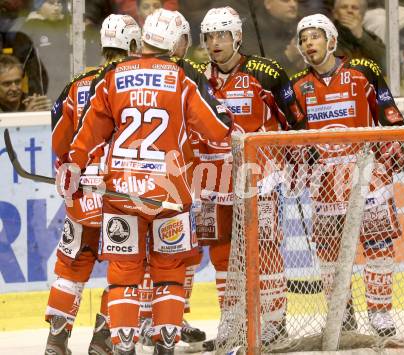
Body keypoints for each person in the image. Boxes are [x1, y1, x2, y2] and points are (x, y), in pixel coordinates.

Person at [57, 7, 233, 354]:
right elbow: (217, 131)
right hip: (168, 195)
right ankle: (165, 347)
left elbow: (89, 130)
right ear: (171, 40)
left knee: (124, 273)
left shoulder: (114, 76)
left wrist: (75, 164)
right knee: (169, 270)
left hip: (121, 192)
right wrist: (226, 119)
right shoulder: (180, 79)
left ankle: (123, 347)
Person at [290, 13, 404, 337]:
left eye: (314, 36)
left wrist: (393, 148)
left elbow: (389, 115)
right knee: (329, 253)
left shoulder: (362, 72)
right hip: (325, 180)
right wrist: (302, 156)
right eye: (303, 38)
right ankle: (341, 314)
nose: (308, 43)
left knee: (378, 244)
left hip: (365, 171)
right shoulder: (298, 86)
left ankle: (380, 313)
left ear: (331, 40)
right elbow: (293, 135)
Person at [193, 6, 302, 351]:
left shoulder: (266, 73)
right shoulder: (197, 77)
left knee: (266, 247)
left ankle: (273, 322)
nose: (215, 42)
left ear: (237, 36)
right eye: (209, 36)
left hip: (261, 178)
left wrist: (296, 166)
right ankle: (231, 320)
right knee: (222, 252)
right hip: (214, 178)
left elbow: (295, 123)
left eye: (222, 35)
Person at [46, 13, 141, 355]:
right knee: (125, 266)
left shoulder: (77, 84)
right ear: (133, 43)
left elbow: (60, 142)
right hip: (122, 191)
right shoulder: (137, 83)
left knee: (72, 265)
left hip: (82, 191)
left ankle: (56, 341)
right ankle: (103, 339)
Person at [135, 9, 207, 353]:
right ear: (176, 41)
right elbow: (214, 122)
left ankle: (170, 317)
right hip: (170, 178)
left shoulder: (129, 71)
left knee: (164, 252)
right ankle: (152, 316)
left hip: (139, 176)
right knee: (166, 251)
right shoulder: (186, 74)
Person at [21, 0, 71, 101]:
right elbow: (21, 62)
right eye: (51, 3)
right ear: (38, 6)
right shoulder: (29, 27)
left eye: (59, 3)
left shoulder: (68, 25)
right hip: (41, 92)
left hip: (66, 87)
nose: (56, 8)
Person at [332, 0, 386, 68]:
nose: (349, 11)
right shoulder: (327, 37)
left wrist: (361, 36)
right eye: (344, 7)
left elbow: (387, 64)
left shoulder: (370, 37)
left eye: (354, 8)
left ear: (362, 16)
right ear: (335, 14)